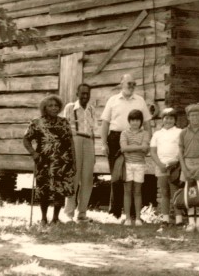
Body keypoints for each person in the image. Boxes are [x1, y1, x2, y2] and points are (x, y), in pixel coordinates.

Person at [100, 74, 152, 220]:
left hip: (136, 138)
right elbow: (105, 124)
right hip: (115, 139)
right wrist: (104, 144)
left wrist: (147, 142)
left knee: (134, 177)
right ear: (121, 83)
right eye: (129, 83)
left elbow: (147, 123)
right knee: (117, 176)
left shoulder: (140, 100)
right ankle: (115, 213)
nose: (131, 86)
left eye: (134, 84)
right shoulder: (113, 100)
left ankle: (134, 214)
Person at [23, 95, 75, 226]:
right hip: (43, 161)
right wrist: (33, 153)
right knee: (44, 188)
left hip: (62, 162)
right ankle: (44, 218)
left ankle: (56, 218)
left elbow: (70, 142)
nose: (54, 108)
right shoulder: (36, 123)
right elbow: (26, 139)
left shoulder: (64, 122)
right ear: (44, 108)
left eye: (56, 105)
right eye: (50, 105)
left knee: (59, 189)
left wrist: (73, 161)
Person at [62, 83, 95, 223]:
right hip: (74, 140)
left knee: (87, 179)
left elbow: (92, 131)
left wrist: (93, 150)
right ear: (77, 94)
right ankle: (68, 213)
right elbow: (64, 129)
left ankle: (82, 214)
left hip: (88, 141)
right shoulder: (70, 107)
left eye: (87, 93)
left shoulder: (92, 109)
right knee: (73, 177)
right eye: (82, 93)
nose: (85, 96)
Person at [179, 103, 199, 233]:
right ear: (188, 117)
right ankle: (191, 222)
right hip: (187, 163)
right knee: (190, 193)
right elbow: (180, 151)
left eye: (197, 115)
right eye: (192, 115)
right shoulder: (183, 132)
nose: (194, 118)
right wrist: (184, 168)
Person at [150, 107, 183, 230]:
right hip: (161, 166)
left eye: (171, 118)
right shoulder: (157, 134)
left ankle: (178, 219)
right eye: (166, 118)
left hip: (175, 166)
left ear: (175, 120)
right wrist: (160, 164)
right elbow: (153, 151)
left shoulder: (179, 132)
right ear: (162, 120)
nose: (168, 120)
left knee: (175, 193)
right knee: (164, 193)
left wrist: (176, 162)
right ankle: (165, 219)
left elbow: (181, 149)